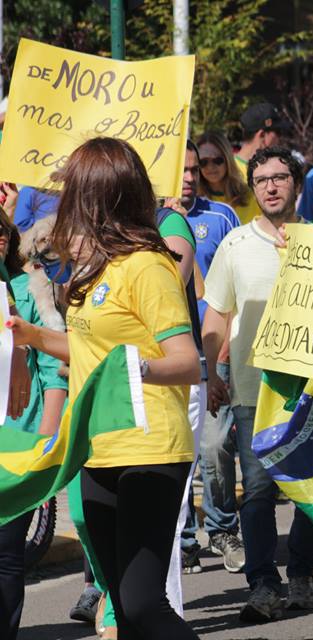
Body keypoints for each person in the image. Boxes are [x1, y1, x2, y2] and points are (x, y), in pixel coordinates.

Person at [9, 137, 201, 640]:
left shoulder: (147, 265)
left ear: (101, 196)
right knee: (120, 607)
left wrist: (131, 366)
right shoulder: (95, 271)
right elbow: (87, 349)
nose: (66, 201)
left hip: (150, 447)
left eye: (75, 189)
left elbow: (186, 363)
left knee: (142, 607)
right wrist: (31, 337)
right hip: (96, 451)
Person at [201, 146, 313, 622]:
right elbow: (217, 310)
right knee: (256, 490)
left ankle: (302, 574)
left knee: (309, 487)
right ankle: (263, 584)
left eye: (280, 177)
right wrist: (213, 370)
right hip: (254, 390)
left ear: (297, 183)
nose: (271, 186)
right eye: (262, 180)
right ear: (252, 189)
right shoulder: (236, 244)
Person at [168, 141, 245, 577]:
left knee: (215, 447)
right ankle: (181, 540)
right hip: (164, 356)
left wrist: (228, 342)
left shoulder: (220, 217)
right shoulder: (149, 221)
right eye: (181, 170)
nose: (190, 176)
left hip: (213, 353)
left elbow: (232, 282)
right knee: (179, 451)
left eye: (195, 169)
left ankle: (220, 528)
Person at [0, 212, 68, 640]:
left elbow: (53, 371)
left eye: (2, 232)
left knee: (6, 556)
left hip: (18, 446)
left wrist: (46, 443)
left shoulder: (30, 291)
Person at [196, 131, 260, 224]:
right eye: (203, 162)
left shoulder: (252, 196)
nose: (210, 167)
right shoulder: (193, 200)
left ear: (228, 160)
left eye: (217, 160)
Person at [234, 103, 289, 175]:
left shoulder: (230, 168)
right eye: (278, 132)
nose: (280, 137)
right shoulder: (230, 172)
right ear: (262, 134)